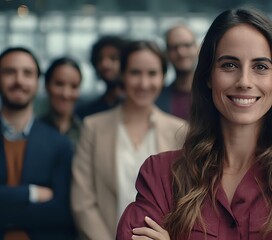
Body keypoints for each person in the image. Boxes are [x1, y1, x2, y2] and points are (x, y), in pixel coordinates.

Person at [117, 8, 272, 240]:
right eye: (229, 65)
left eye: (260, 67)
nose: (244, 81)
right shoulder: (160, 174)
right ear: (209, 76)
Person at [71, 40, 187, 240]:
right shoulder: (93, 127)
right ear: (122, 76)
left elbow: (186, 201)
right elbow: (82, 201)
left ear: (162, 78)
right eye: (135, 73)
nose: (143, 83)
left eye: (152, 74)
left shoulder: (180, 131)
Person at [0, 47, 75, 239]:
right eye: (9, 72)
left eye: (27, 73)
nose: (19, 80)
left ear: (37, 82)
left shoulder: (60, 144)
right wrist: (30, 194)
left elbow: (62, 213)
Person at [75, 35, 127, 119]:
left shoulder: (141, 105)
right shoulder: (88, 112)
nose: (105, 64)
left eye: (113, 58)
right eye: (100, 59)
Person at [156, 24, 199, 120]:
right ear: (166, 53)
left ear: (197, 48)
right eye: (174, 47)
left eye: (187, 45)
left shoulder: (214, 93)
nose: (181, 52)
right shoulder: (157, 98)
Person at [40, 57, 82, 148]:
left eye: (74, 86)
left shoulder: (86, 133)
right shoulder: (33, 132)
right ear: (47, 86)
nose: (66, 94)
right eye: (59, 84)